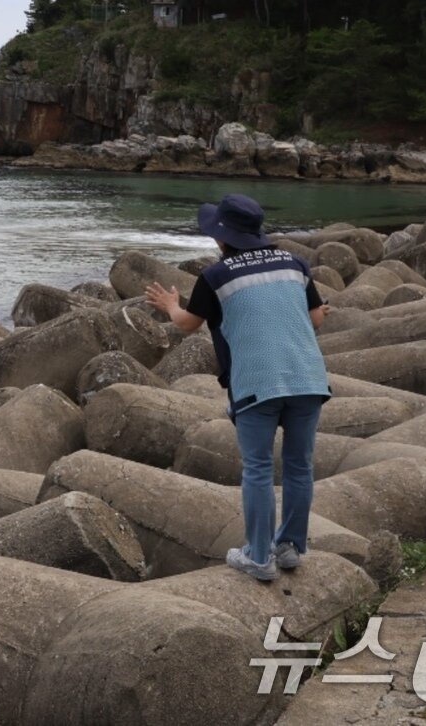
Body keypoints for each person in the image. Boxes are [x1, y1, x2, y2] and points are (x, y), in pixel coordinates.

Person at [144, 193, 331, 582]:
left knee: (259, 469)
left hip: (256, 382)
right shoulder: (295, 264)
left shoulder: (217, 277)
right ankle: (291, 548)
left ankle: (259, 557)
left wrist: (170, 304)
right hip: (307, 377)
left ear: (221, 238)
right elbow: (315, 317)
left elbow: (187, 324)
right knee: (299, 466)